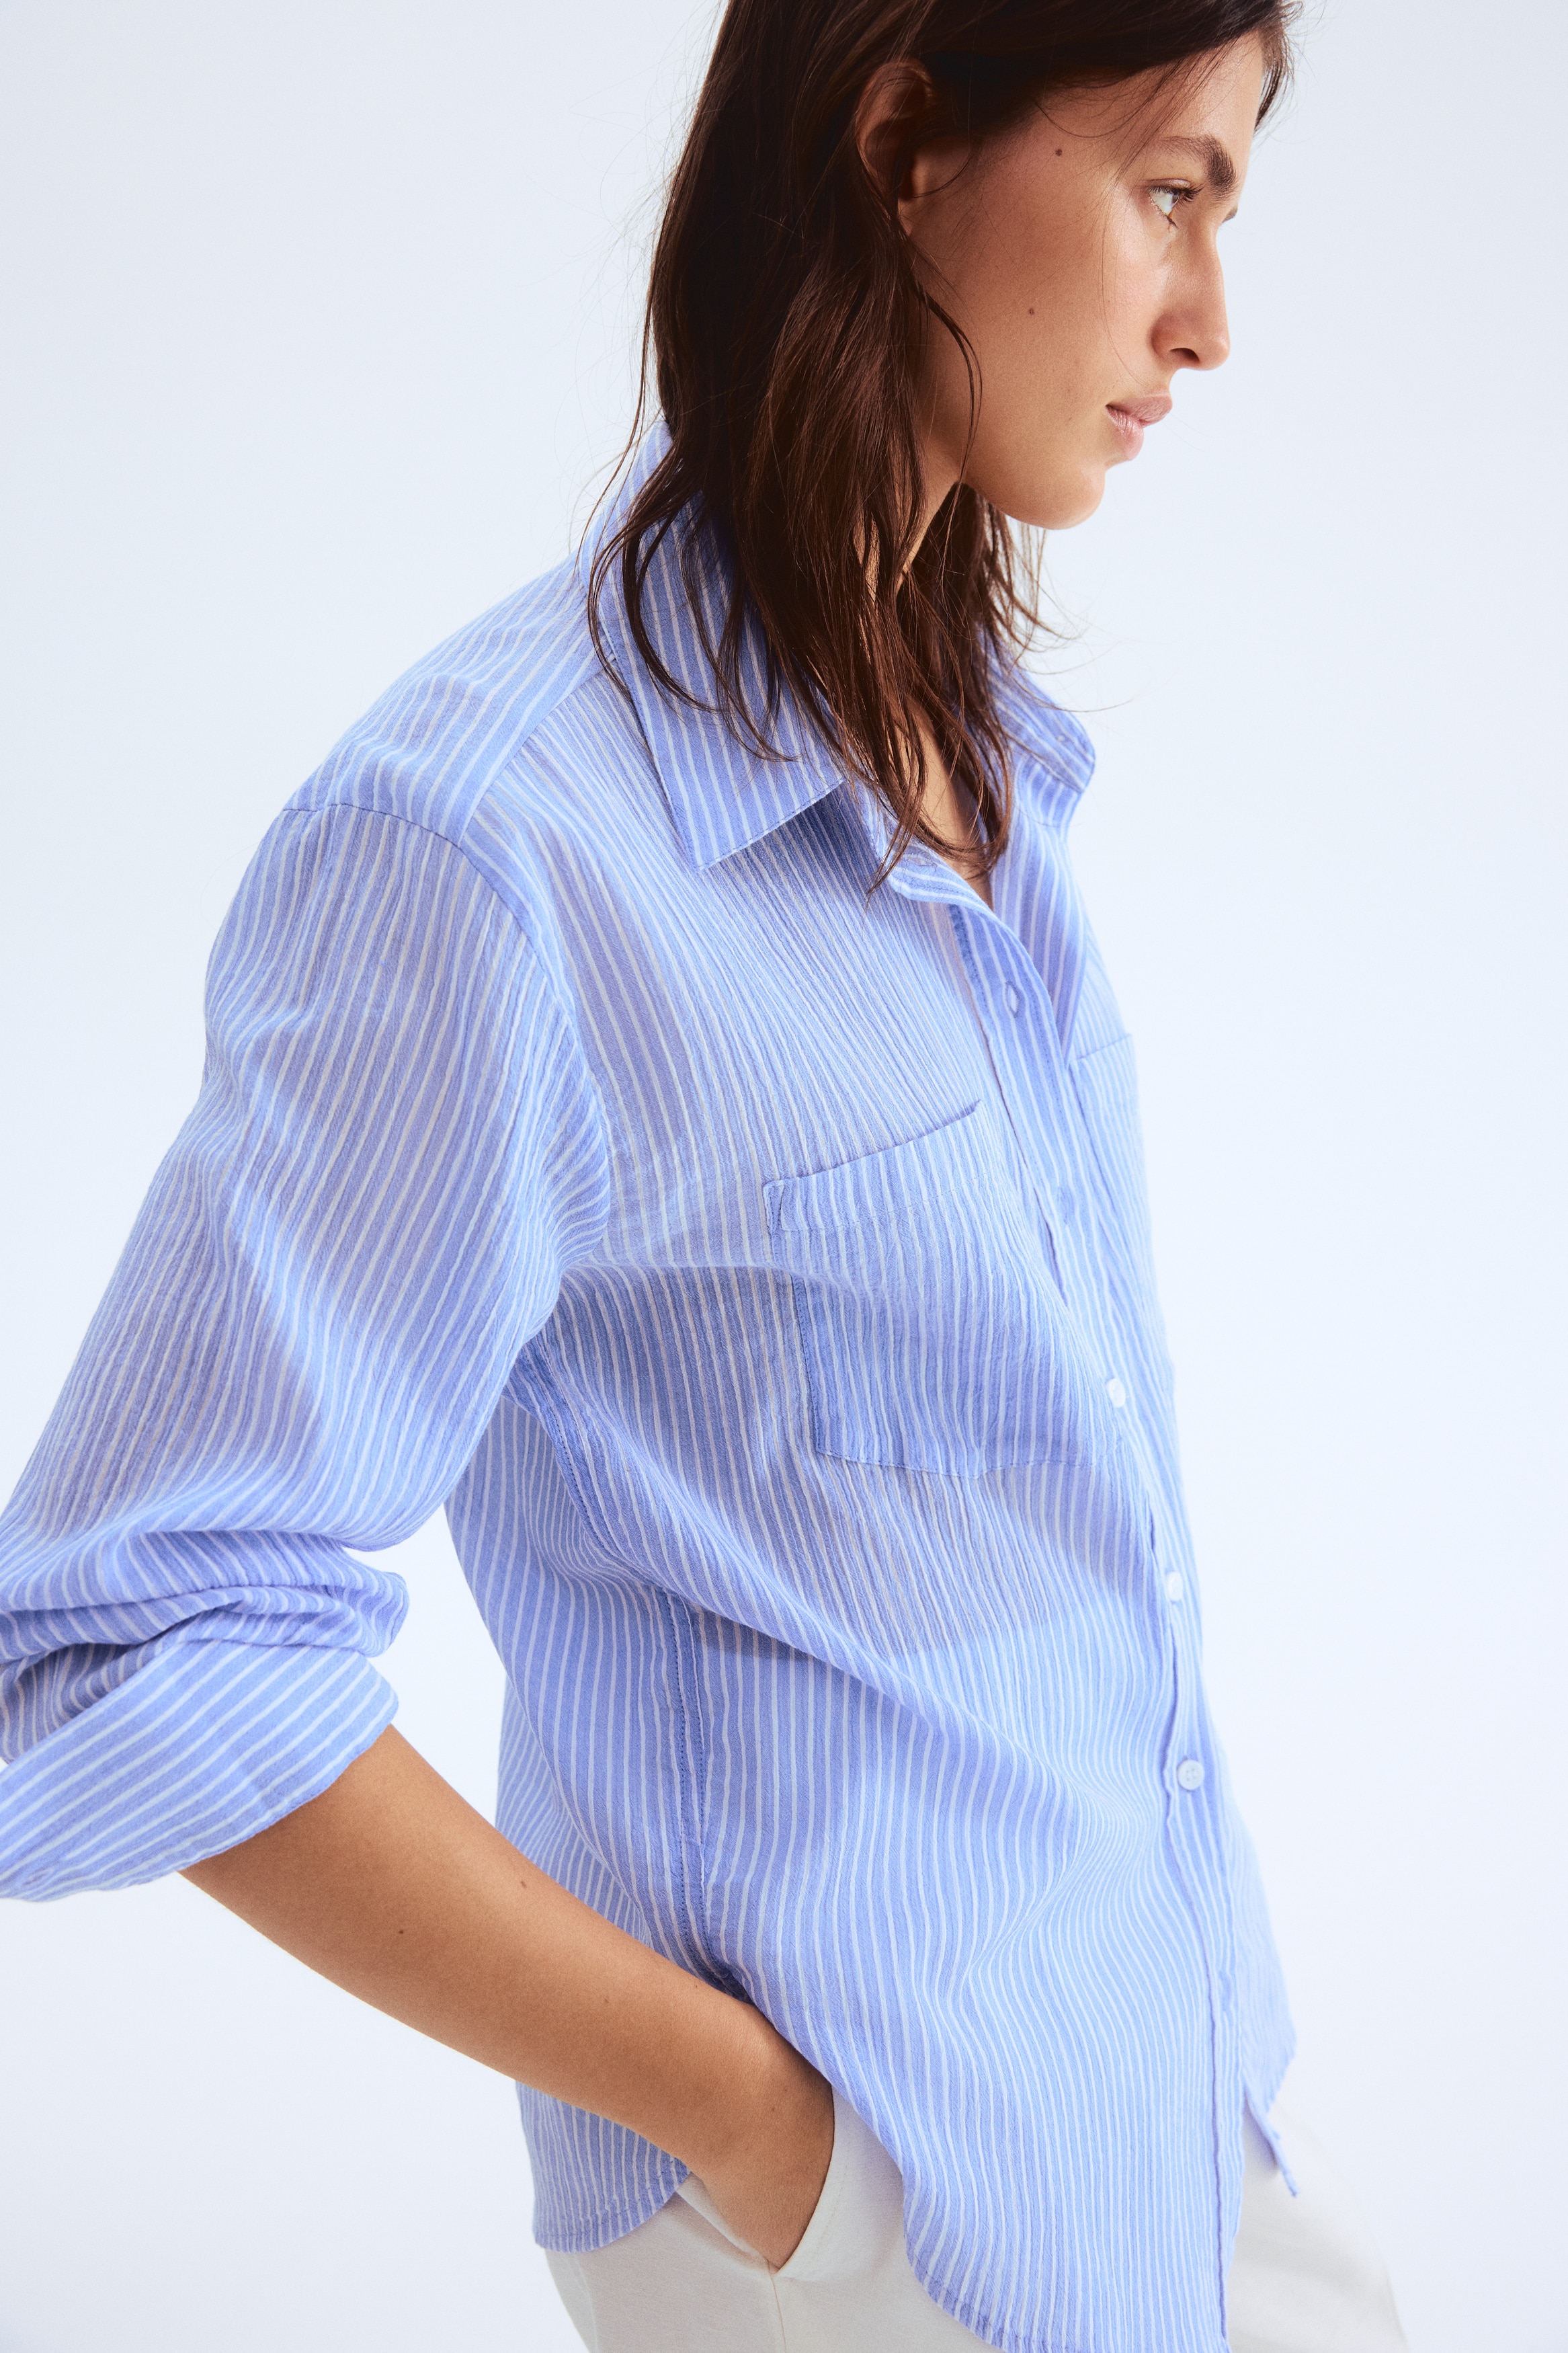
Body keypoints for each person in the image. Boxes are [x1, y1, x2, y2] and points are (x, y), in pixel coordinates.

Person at [0, 3, 1411, 2348]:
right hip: (875, 2231)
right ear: (903, 146)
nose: (1210, 323)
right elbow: (133, 1624)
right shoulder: (491, 851)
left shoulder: (977, 752)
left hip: (1175, 2107)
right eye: (1171, 190)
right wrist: (763, 2136)